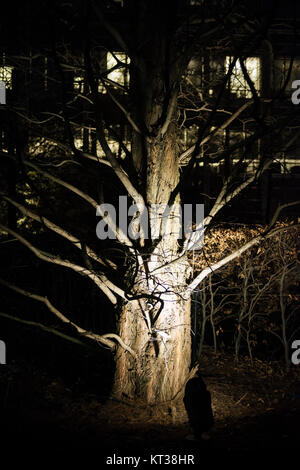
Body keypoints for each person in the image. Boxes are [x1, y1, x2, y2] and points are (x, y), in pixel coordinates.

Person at [183, 372, 214, 440]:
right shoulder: (203, 391)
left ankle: (199, 431)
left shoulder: (194, 385)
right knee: (197, 410)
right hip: (195, 398)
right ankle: (201, 431)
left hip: (195, 398)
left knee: (196, 410)